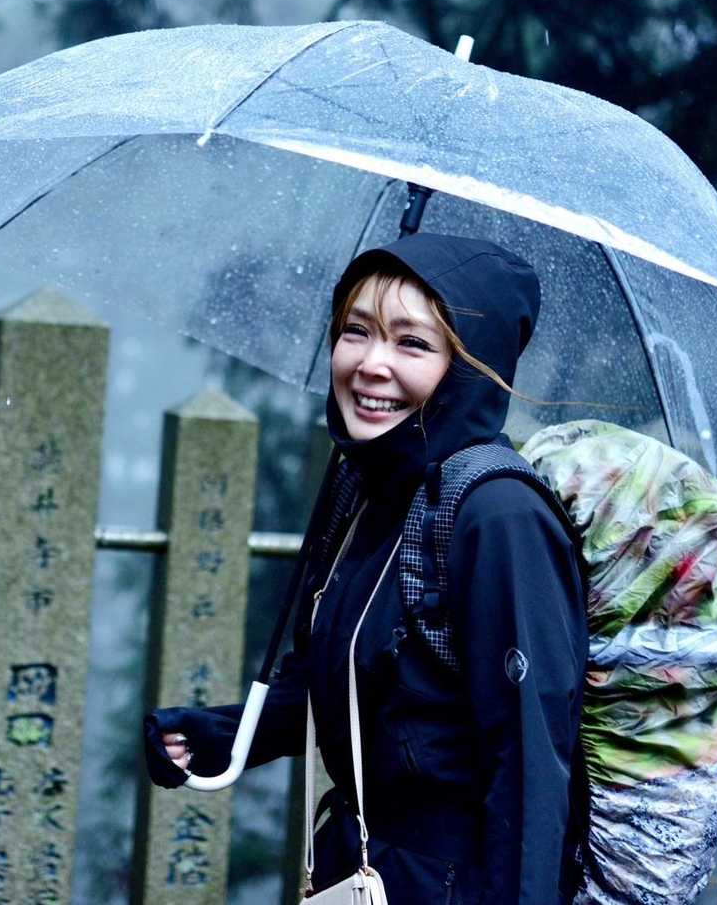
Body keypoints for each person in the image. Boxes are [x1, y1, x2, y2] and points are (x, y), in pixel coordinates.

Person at [143, 234, 588, 903]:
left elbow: (528, 767)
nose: (370, 364)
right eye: (356, 332)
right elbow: (353, 681)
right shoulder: (366, 488)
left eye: (411, 343)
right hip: (359, 868)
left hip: (451, 884)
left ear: (469, 368)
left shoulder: (497, 515)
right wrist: (221, 736)